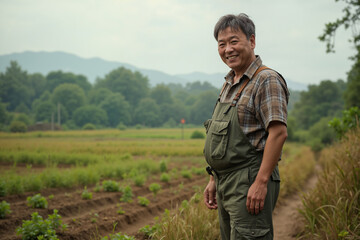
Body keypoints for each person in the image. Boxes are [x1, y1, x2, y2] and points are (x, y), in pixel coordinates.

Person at [203, 13, 289, 240]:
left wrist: (260, 183)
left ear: (251, 41)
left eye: (234, 41)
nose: (227, 49)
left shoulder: (266, 80)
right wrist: (213, 178)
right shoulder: (230, 83)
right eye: (222, 44)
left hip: (249, 180)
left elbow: (278, 133)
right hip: (226, 183)